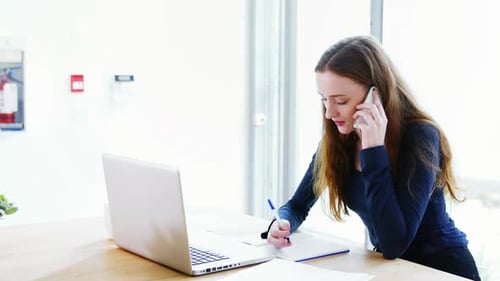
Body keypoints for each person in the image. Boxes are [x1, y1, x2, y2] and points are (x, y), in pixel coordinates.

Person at [262, 35, 481, 280]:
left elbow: (394, 244)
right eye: (324, 99)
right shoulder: (337, 140)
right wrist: (282, 222)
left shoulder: (420, 136)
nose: (329, 112)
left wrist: (373, 149)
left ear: (376, 95)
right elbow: (297, 206)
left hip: (442, 270)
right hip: (392, 271)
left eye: (341, 101)